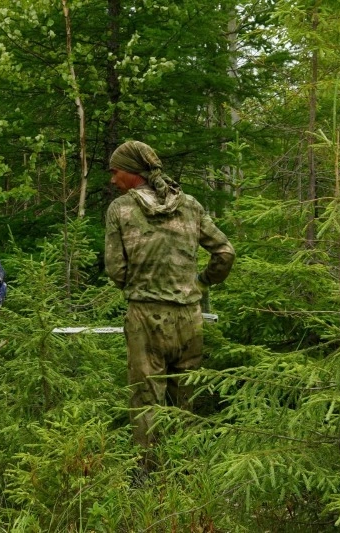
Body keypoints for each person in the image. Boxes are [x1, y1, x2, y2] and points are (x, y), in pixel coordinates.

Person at [104, 141, 235, 469]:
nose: (112, 179)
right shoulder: (189, 205)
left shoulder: (120, 209)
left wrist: (135, 286)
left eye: (115, 171)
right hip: (189, 317)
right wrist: (200, 283)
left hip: (146, 316)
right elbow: (225, 252)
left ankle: (148, 476)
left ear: (132, 173)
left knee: (147, 399)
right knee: (185, 397)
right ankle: (185, 470)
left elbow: (115, 269)